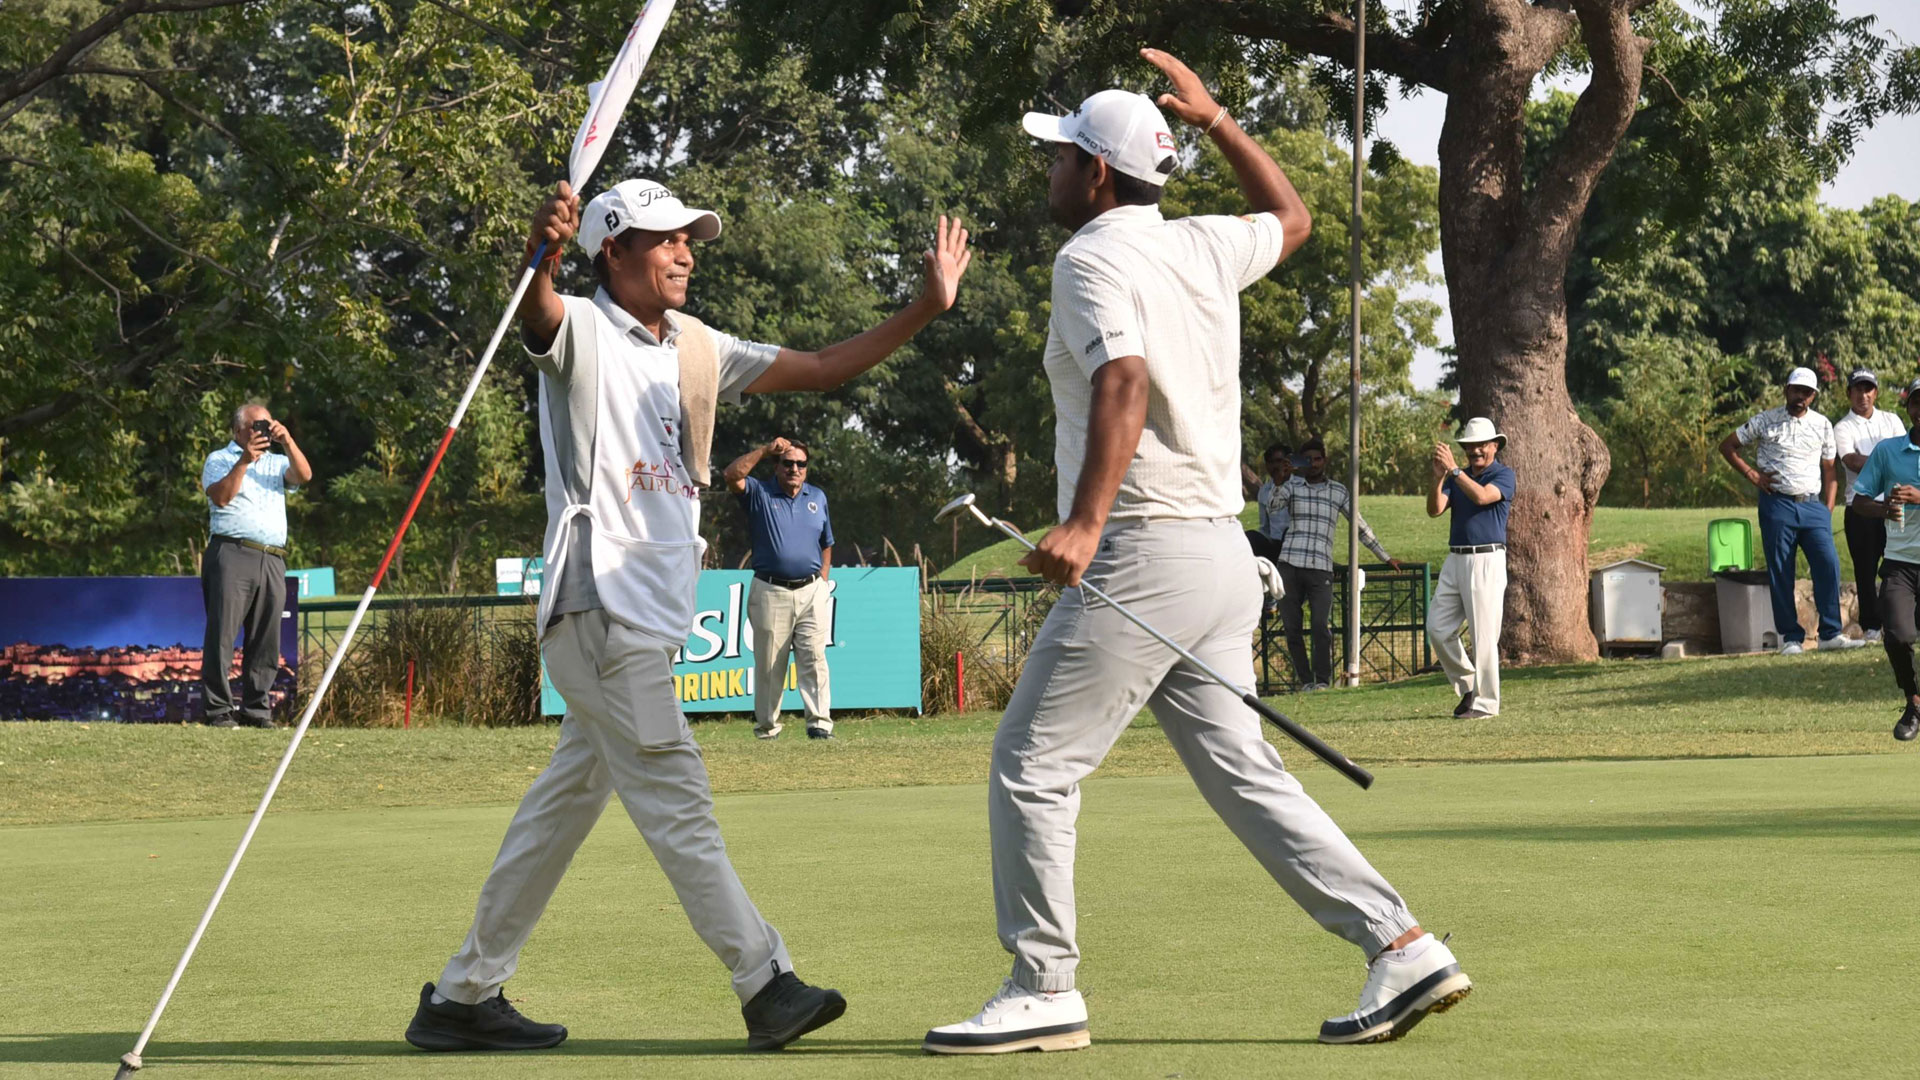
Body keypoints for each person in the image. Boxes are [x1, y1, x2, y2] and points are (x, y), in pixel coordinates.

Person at [922, 50, 1469, 1056]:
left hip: (1144, 549)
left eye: (1061, 156)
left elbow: (1123, 381)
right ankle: (1401, 943)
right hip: (1220, 556)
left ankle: (1044, 986)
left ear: (1096, 173)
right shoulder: (1205, 242)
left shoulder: (1089, 261)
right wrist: (1218, 123)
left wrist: (1085, 523)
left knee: (1032, 766)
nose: (1050, 171)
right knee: (1244, 774)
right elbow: (1293, 218)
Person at [406, 178, 971, 1053]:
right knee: (680, 799)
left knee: (558, 815)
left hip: (635, 618)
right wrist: (538, 250)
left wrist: (925, 309)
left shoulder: (698, 344)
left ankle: (462, 995)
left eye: (688, 239)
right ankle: (765, 982)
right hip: (601, 606)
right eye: (665, 239)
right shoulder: (581, 328)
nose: (685, 253)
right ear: (612, 251)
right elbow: (537, 312)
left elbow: (823, 367)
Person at [1718, 367, 1866, 655]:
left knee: (1828, 565)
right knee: (1781, 570)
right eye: (1796, 390)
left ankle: (1829, 634)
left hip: (1812, 505)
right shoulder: (1765, 420)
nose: (1801, 396)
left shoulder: (1822, 424)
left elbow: (1829, 469)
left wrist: (1827, 507)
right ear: (1786, 390)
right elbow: (1728, 446)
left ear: (1813, 396)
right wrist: (1752, 474)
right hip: (1777, 504)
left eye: (1807, 392)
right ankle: (1791, 638)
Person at [198, 403, 311, 729]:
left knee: (266, 638)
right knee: (222, 635)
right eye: (256, 425)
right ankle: (218, 710)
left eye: (267, 424)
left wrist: (288, 441)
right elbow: (221, 497)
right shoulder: (219, 458)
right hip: (232, 552)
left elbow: (304, 475)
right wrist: (244, 461)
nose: (263, 430)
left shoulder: (277, 461)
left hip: (272, 557)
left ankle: (256, 710)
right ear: (238, 431)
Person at [724, 435, 835, 740]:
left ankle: (819, 725)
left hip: (811, 590)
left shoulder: (817, 497)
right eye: (788, 463)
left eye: (801, 464)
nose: (794, 469)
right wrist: (763, 450)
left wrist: (823, 581)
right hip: (771, 590)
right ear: (776, 466)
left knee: (814, 659)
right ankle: (768, 727)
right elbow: (731, 475)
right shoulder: (759, 492)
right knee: (770, 665)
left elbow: (826, 543)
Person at [1269, 438, 1400, 690]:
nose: (1313, 464)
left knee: (1320, 626)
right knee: (1292, 629)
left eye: (1317, 459)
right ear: (1300, 462)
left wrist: (1384, 556)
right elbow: (1273, 509)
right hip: (1290, 563)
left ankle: (1322, 681)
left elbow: (1359, 525)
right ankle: (1305, 682)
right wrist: (1280, 479)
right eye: (1307, 459)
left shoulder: (1338, 491)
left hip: (1320, 566)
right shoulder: (1292, 486)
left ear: (1325, 461)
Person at [1845, 375, 1920, 742]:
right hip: (1899, 563)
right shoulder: (1888, 451)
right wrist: (1884, 508)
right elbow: (1859, 501)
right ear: (1908, 408)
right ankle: (1914, 701)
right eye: (1917, 402)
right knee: (1897, 636)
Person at [1424, 418, 1514, 720]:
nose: (1475, 451)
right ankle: (1468, 686)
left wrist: (1453, 470)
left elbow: (1482, 496)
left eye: (1481, 445)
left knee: (1484, 637)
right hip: (1456, 559)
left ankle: (1486, 705)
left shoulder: (1503, 475)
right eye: (1470, 446)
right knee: (1437, 628)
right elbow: (1435, 509)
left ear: (1494, 446)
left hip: (1486, 559)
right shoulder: (1456, 476)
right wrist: (1438, 478)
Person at [1833, 368, 1906, 642]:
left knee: (1900, 567)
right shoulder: (1843, 427)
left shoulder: (1891, 420)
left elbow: (1904, 454)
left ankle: (1898, 621)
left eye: (1868, 389)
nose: (1863, 395)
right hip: (1861, 507)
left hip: (1895, 505)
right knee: (1865, 570)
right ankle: (1872, 627)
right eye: (1857, 389)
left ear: (1875, 392)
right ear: (1849, 393)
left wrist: (1880, 461)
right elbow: (1851, 460)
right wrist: (1888, 461)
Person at [1244, 441, 1293, 563]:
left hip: (1296, 542)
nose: (1275, 466)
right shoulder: (1264, 491)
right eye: (1271, 462)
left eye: (1279, 461)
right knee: (1250, 536)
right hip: (1275, 545)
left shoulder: (1300, 485)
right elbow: (1265, 528)